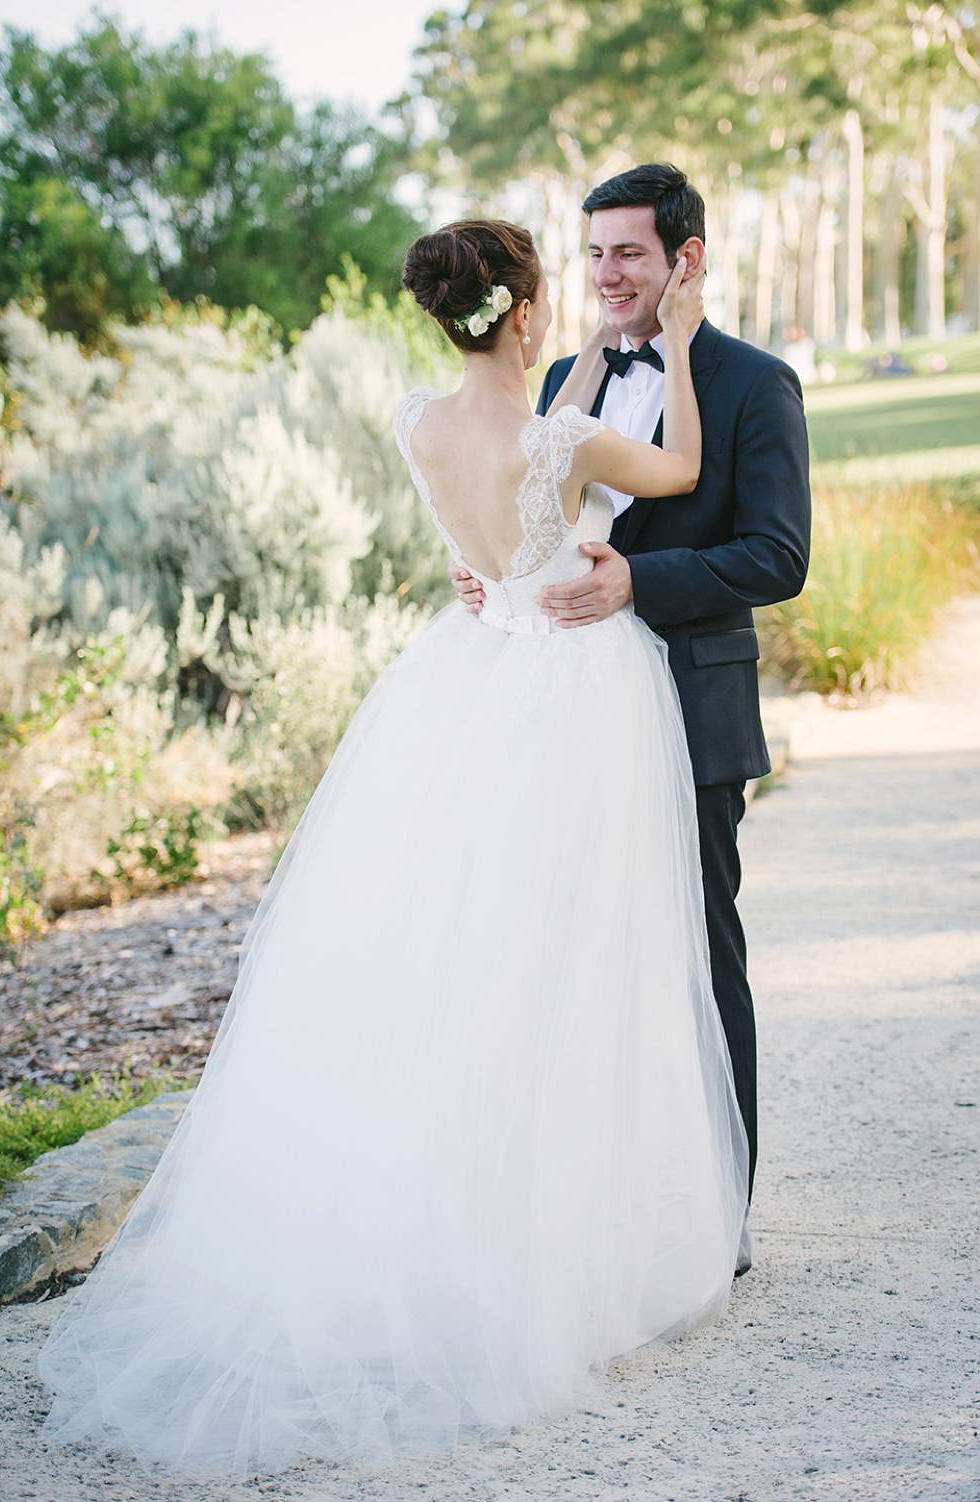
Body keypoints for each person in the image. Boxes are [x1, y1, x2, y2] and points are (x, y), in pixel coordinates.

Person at [39, 219, 748, 1477]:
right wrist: (679, 344)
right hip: (574, 688)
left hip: (470, 668)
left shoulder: (425, 423)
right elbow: (680, 467)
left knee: (451, 955)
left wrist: (573, 364)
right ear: (523, 313)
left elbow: (530, 461)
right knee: (579, 954)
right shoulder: (563, 433)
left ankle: (447, 1225)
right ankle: (560, 1248)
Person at [451, 167, 812, 1223]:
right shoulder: (563, 372)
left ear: (684, 260)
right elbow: (519, 513)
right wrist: (488, 572)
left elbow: (776, 555)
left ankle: (721, 1211)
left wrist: (634, 580)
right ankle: (603, 1207)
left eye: (630, 253)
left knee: (700, 954)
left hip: (689, 717)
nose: (608, 273)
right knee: (577, 955)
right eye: (596, 253)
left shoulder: (755, 383)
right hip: (563, 720)